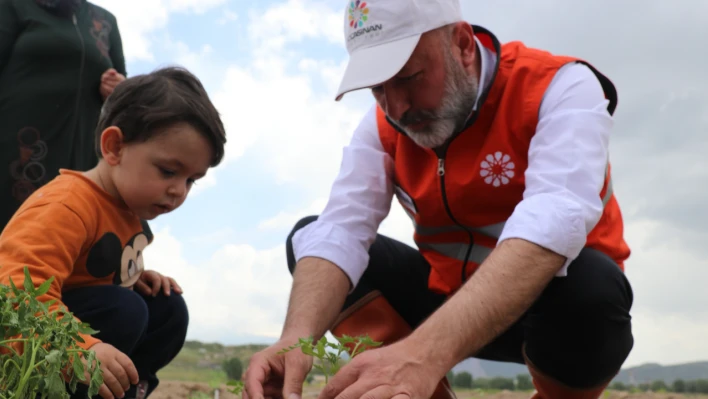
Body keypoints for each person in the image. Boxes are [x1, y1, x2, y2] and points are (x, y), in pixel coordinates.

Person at [243, 1, 634, 399]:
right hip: (442, 302)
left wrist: (422, 354)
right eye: (378, 88)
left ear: (463, 44)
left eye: (409, 78)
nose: (397, 108)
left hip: (550, 315)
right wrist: (293, 341)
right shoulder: (383, 127)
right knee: (311, 239)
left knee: (591, 285)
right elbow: (341, 228)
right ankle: (405, 391)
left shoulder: (560, 87)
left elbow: (552, 220)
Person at [0, 66, 227, 399]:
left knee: (167, 308)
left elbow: (89, 278)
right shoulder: (67, 204)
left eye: (191, 180)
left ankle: (128, 388)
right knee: (126, 309)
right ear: (115, 147)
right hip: (30, 352)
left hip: (79, 332)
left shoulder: (128, 209)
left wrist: (134, 277)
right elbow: (15, 296)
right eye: (168, 171)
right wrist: (78, 350)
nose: (179, 190)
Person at [0, 0, 127, 231]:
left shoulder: (105, 22)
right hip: (17, 145)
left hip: (80, 153)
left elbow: (125, 92)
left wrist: (116, 87)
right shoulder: (14, 5)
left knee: (61, 227)